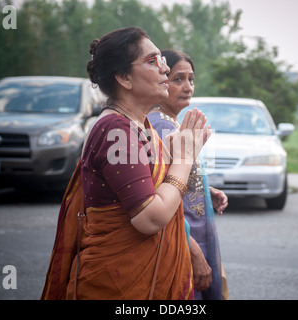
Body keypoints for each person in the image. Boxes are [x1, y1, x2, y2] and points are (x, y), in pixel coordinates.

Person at [41, 27, 211, 300]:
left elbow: (154, 183)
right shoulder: (115, 130)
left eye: (162, 60)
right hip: (117, 286)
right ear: (124, 77)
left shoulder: (139, 125)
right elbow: (150, 217)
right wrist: (183, 158)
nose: (164, 69)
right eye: (152, 60)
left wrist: (179, 153)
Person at [148, 49, 229, 300]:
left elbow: (176, 176)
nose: (187, 87)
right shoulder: (160, 125)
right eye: (177, 79)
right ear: (161, 81)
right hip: (183, 240)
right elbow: (156, 196)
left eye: (191, 79)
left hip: (192, 232)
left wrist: (204, 190)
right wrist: (193, 253)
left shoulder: (172, 122)